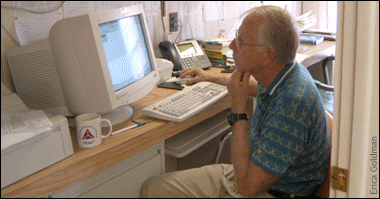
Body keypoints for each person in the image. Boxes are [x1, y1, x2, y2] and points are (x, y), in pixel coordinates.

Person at [140, 5, 330, 198]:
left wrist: (238, 108)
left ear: (268, 55)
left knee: (155, 192)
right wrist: (212, 77)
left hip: (270, 189)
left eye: (241, 41)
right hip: (259, 172)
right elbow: (259, 87)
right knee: (153, 188)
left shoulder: (291, 106)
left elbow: (247, 189)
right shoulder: (287, 72)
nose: (232, 45)